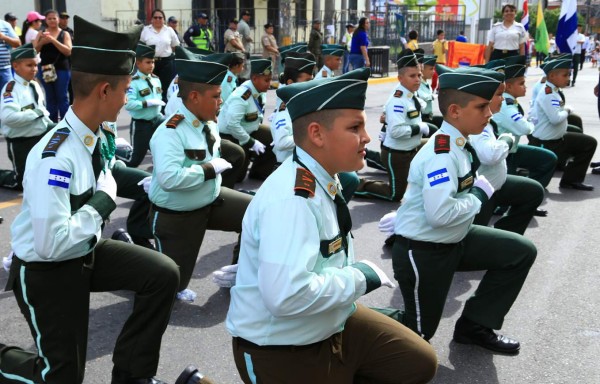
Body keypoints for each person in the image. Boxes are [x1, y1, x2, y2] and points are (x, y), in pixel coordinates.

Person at [226, 67, 437, 384]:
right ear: (317, 134)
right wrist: (358, 277)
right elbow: (286, 297)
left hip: (329, 320)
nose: (366, 137)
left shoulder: (325, 180)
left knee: (416, 362)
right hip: (281, 346)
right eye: (355, 127)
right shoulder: (293, 200)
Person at [0, 16, 182, 384]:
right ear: (103, 91)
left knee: (162, 275)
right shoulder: (56, 154)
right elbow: (51, 244)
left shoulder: (94, 136)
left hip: (81, 250)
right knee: (62, 377)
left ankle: (132, 376)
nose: (128, 98)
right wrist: (102, 202)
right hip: (46, 269)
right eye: (125, 89)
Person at [381, 64, 537, 354]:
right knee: (418, 334)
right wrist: (478, 194)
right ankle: (348, 320)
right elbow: (439, 215)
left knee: (520, 252)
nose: (490, 113)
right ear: (454, 111)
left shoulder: (459, 144)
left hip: (456, 239)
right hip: (425, 250)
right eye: (481, 107)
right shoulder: (442, 153)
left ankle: (475, 325)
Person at [148, 51, 252, 303]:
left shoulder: (207, 120)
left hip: (210, 199)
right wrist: (208, 169)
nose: (221, 102)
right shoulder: (170, 132)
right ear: (194, 96)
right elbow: (169, 179)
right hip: (178, 214)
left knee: (255, 215)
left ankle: (243, 271)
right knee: (172, 283)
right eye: (216, 97)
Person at [469, 59, 546, 231]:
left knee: (533, 191)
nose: (503, 99)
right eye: (498, 94)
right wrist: (506, 139)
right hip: (480, 191)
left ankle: (505, 233)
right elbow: (490, 155)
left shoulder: (487, 119)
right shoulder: (475, 123)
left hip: (493, 184)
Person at [355, 49, 429, 202]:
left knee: (436, 143)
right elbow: (396, 131)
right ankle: (357, 185)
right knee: (395, 194)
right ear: (400, 78)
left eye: (419, 75)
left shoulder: (410, 94)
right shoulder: (398, 101)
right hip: (398, 154)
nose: (418, 79)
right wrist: (419, 128)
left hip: (410, 148)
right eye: (413, 76)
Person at [530, 55, 598, 190]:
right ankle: (569, 178)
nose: (568, 78)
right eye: (565, 75)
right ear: (552, 76)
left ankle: (571, 179)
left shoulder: (554, 90)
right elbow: (555, 119)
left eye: (569, 75)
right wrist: (567, 110)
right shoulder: (548, 93)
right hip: (549, 143)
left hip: (556, 138)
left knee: (588, 142)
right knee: (589, 143)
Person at [494, 55, 557, 190]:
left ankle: (533, 191)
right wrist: (532, 122)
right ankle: (517, 201)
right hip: (503, 156)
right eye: (521, 83)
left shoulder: (510, 101)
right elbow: (524, 129)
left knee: (548, 158)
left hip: (512, 150)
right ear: (509, 86)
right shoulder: (505, 105)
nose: (525, 87)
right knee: (505, 191)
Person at [0, 43, 53, 190]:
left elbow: (44, 113)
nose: (34, 69)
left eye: (35, 65)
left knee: (67, 133)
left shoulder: (34, 85)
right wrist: (36, 113)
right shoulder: (11, 90)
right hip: (21, 141)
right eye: (29, 65)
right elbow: (8, 118)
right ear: (15, 66)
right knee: (21, 183)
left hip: (40, 133)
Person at [217, 59, 277, 181]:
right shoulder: (241, 96)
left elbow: (259, 109)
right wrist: (251, 142)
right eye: (266, 80)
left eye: (270, 80)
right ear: (255, 79)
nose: (269, 83)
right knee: (239, 174)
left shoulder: (259, 91)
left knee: (271, 135)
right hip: (230, 135)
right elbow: (232, 125)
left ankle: (259, 172)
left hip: (249, 128)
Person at [123, 43, 165, 168]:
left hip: (157, 120)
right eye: (148, 62)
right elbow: (128, 104)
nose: (151, 65)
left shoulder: (156, 79)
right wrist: (146, 103)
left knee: (163, 153)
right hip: (142, 124)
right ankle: (116, 154)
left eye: (153, 62)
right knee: (134, 161)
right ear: (138, 63)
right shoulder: (134, 82)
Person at [33, 9, 72, 123]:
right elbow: (34, 51)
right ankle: (52, 123)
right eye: (49, 18)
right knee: (50, 98)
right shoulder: (41, 33)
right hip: (45, 69)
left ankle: (66, 122)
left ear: (58, 20)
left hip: (62, 69)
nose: (52, 21)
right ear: (46, 20)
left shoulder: (64, 34)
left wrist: (53, 40)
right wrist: (42, 42)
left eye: (54, 18)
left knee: (62, 96)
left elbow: (68, 51)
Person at [140, 9, 180, 103]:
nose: (158, 19)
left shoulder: (169, 30)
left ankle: (163, 112)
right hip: (150, 63)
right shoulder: (146, 30)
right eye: (155, 17)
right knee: (151, 86)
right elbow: (141, 46)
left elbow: (175, 46)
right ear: (152, 19)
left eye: (160, 17)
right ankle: (153, 109)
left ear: (164, 19)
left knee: (164, 88)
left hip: (166, 62)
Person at [0, 15, 21, 92]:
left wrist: (3, 37)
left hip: (5, 69)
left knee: (8, 95)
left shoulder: (5, 25)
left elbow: (18, 43)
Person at [237, 10, 253, 82]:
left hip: (238, 48)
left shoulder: (238, 24)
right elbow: (247, 37)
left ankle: (239, 78)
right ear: (243, 16)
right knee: (247, 65)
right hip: (245, 48)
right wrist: (252, 40)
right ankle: (244, 80)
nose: (249, 17)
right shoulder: (245, 25)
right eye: (247, 15)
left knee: (239, 64)